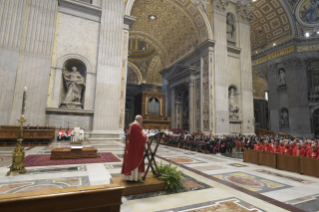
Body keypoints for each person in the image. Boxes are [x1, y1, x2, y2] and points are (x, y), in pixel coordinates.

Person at [121, 115, 148, 181]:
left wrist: (143, 135)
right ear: (138, 119)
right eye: (141, 119)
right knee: (134, 160)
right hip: (134, 148)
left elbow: (137, 136)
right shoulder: (136, 126)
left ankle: (133, 177)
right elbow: (139, 138)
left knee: (132, 160)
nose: (142, 121)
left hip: (132, 147)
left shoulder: (133, 125)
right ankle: (133, 178)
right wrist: (146, 136)